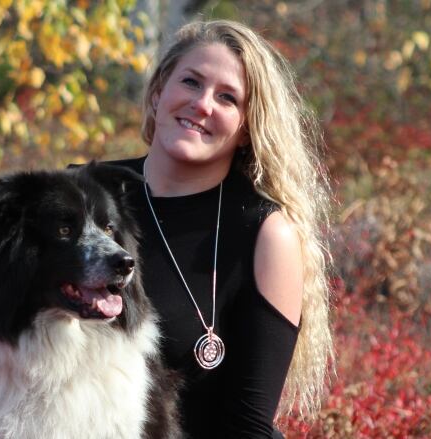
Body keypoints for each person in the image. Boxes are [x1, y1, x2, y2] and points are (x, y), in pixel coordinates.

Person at [107, 20, 334, 437]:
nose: (202, 104)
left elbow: (246, 426)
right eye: (191, 82)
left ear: (247, 129)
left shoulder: (264, 233)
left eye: (227, 97)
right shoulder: (83, 197)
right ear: (159, 92)